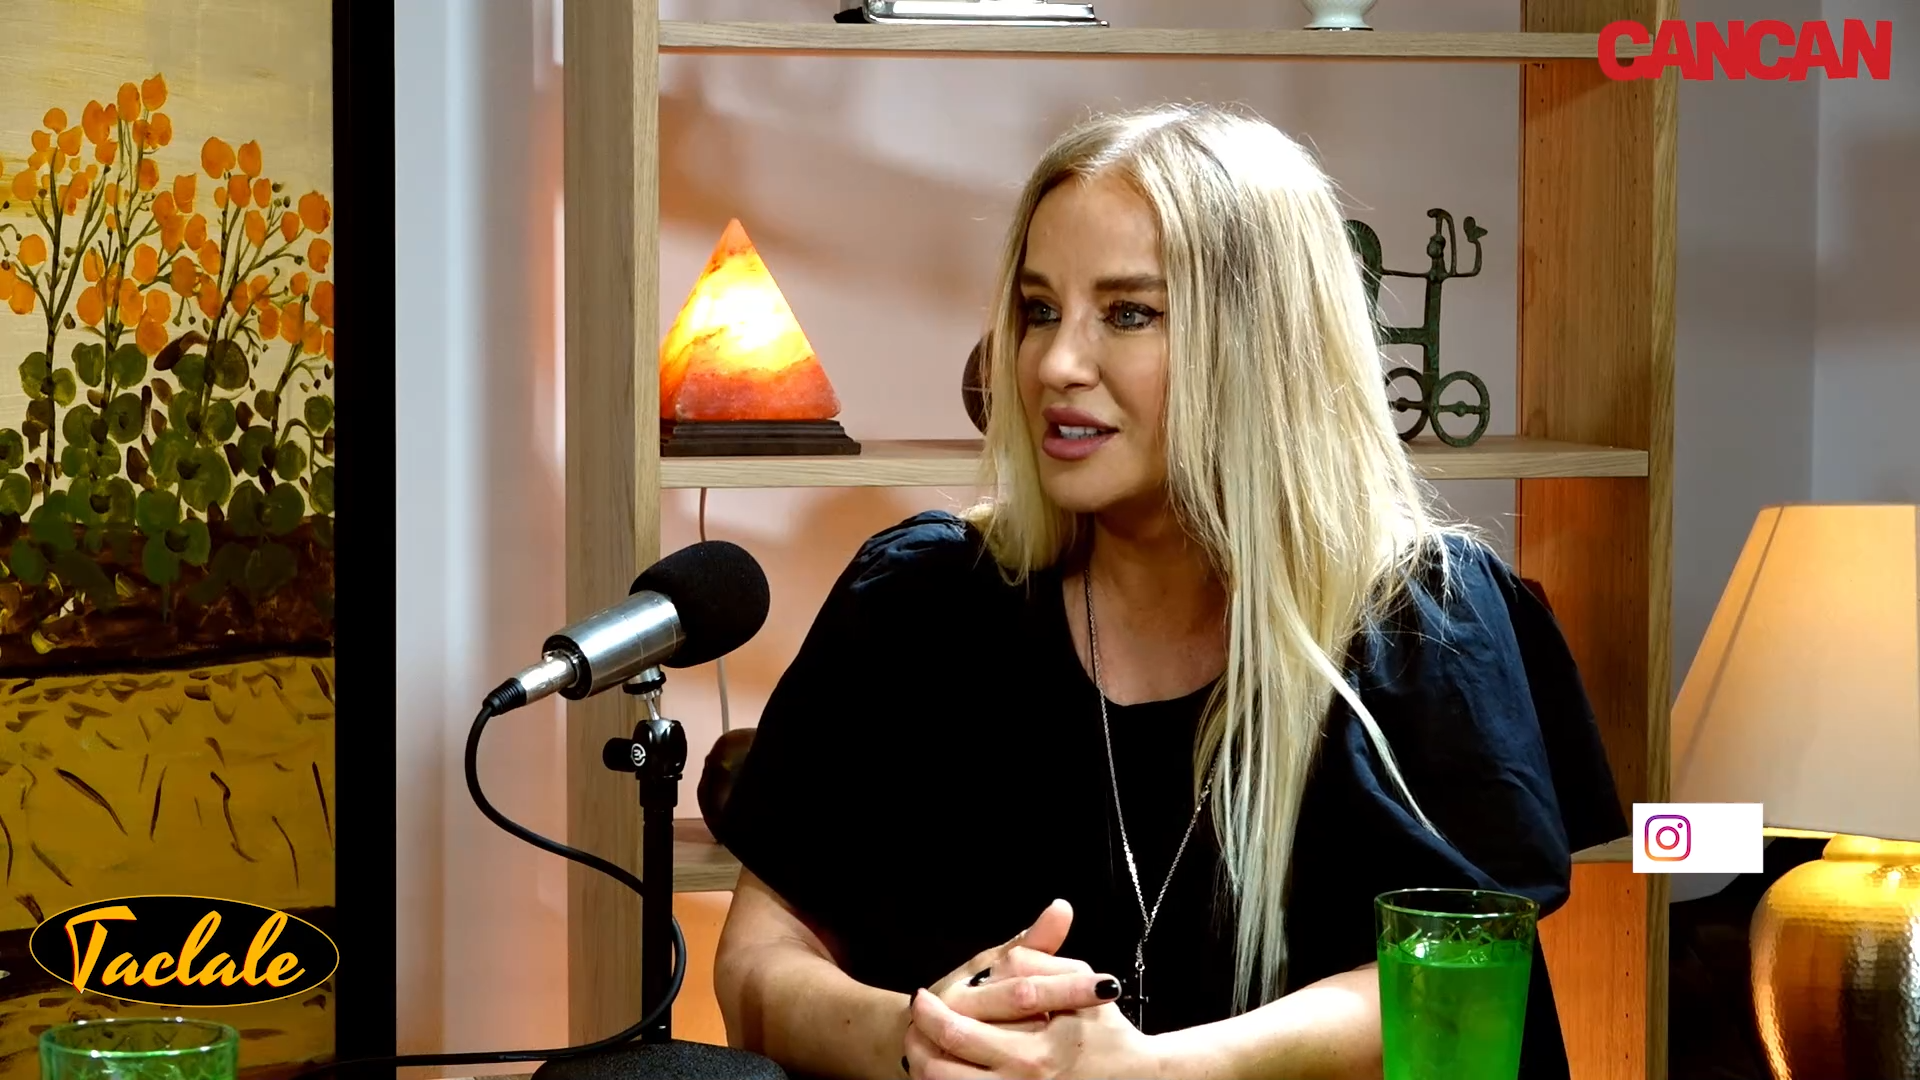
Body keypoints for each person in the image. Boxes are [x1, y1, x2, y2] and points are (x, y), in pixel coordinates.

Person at [712, 103, 1627, 1080]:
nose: (1056, 364)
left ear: (1263, 343)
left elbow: (1465, 985)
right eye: (1038, 310)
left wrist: (1155, 1072)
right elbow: (758, 961)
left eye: (1128, 313)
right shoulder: (915, 603)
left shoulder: (1424, 619)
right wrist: (929, 1039)